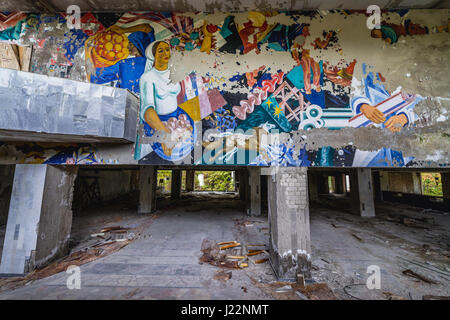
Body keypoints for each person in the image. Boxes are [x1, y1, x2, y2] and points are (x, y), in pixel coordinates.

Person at [139, 40, 196, 160]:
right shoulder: (147, 78)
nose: (165, 53)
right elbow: (147, 111)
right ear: (154, 56)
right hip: (160, 123)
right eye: (160, 50)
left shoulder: (173, 72)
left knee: (186, 143)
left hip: (179, 117)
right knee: (170, 151)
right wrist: (164, 134)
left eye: (167, 49)